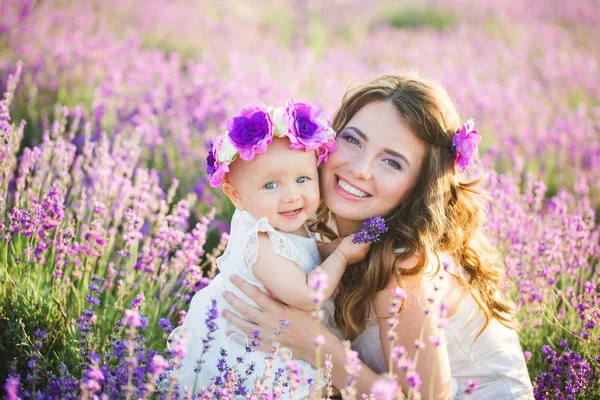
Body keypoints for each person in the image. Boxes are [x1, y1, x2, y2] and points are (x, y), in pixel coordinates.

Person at [221, 73, 534, 399]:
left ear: (418, 186)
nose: (360, 169)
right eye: (353, 140)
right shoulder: (309, 227)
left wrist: (314, 344)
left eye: (392, 162)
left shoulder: (405, 267)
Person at [167, 101, 371, 398]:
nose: (291, 196)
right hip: (255, 356)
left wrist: (328, 251)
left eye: (302, 179)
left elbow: (302, 256)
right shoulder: (260, 240)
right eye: (270, 186)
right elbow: (305, 295)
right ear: (237, 196)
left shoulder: (285, 222)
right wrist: (340, 256)